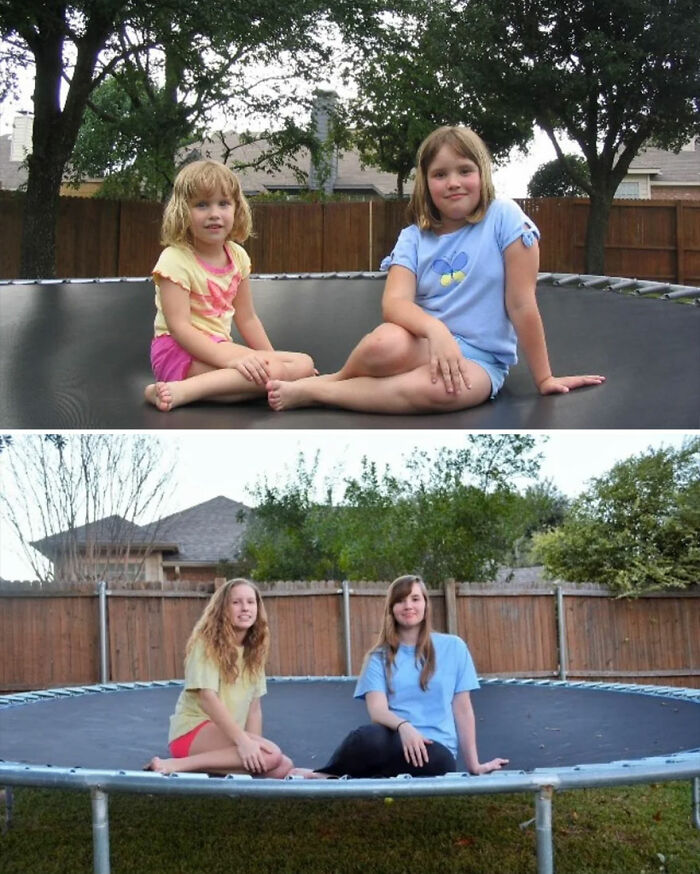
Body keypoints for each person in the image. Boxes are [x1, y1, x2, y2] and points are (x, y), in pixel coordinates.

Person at [267, 125, 605, 414]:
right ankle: (338, 378)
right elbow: (395, 304)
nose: (453, 182)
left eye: (465, 171)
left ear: (482, 174)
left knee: (441, 391)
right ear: (426, 183)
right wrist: (436, 331)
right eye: (440, 174)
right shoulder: (414, 237)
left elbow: (521, 304)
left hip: (481, 358)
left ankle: (318, 391)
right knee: (381, 344)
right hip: (425, 342)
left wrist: (544, 378)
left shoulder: (505, 219)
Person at [295, 574, 508, 779]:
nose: (408, 606)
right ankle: (328, 774)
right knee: (368, 737)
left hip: (435, 750)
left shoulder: (454, 647)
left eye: (415, 599)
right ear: (391, 609)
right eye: (400, 601)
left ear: (425, 604)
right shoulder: (378, 657)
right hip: (395, 740)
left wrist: (474, 765)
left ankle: (341, 775)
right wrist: (405, 727)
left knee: (429, 759)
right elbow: (377, 711)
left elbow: (463, 709)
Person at [144, 160, 315, 412]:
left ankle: (178, 389)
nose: (214, 213)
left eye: (223, 203)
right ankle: (181, 390)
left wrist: (270, 358)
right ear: (182, 211)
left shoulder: (238, 257)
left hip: (220, 348)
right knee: (272, 372)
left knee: (303, 363)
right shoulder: (175, 259)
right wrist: (234, 359)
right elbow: (180, 329)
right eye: (202, 205)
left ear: (237, 208)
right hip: (178, 351)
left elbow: (247, 318)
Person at [145, 578, 293, 777]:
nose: (245, 608)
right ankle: (176, 764)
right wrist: (244, 742)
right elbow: (207, 698)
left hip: (228, 737)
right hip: (191, 733)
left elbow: (254, 709)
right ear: (223, 609)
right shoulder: (207, 644)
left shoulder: (254, 651)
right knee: (272, 755)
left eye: (250, 602)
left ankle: (234, 785)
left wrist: (253, 751)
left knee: (282, 765)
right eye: (236, 602)